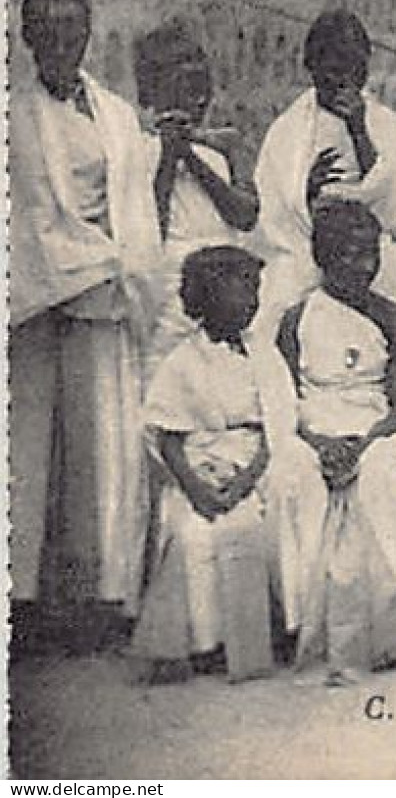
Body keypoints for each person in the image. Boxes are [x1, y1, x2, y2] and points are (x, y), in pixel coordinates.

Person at [11, 0, 163, 652]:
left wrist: (116, 265)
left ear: (88, 32)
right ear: (26, 35)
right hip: (37, 307)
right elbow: (26, 223)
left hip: (108, 296)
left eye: (73, 26)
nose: (62, 39)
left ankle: (105, 594)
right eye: (47, 27)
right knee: (34, 454)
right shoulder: (12, 116)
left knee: (106, 451)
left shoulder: (116, 114)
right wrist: (69, 269)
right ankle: (29, 602)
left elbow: (134, 210)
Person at [277, 201, 396, 682]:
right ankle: (307, 627)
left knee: (381, 479)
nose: (365, 266)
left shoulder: (392, 316)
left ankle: (395, 628)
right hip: (312, 430)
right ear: (323, 258)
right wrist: (318, 441)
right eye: (350, 255)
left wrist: (362, 443)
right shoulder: (296, 319)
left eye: (370, 253)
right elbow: (284, 402)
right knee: (298, 478)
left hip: (377, 430)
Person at [131, 247, 285, 682]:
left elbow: (277, 425)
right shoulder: (181, 361)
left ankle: (259, 636)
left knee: (249, 525)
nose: (252, 302)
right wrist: (198, 490)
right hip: (196, 470)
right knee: (194, 535)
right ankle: (205, 640)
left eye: (255, 291)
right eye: (240, 292)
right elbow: (169, 438)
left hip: (252, 466)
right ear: (205, 299)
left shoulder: (264, 355)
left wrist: (244, 483)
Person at [255, 9, 396, 331]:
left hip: (371, 253)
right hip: (307, 250)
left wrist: (358, 130)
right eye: (335, 68)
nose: (344, 79)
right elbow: (275, 212)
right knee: (282, 306)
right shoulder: (289, 131)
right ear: (311, 67)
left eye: (356, 68)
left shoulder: (385, 123)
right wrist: (305, 192)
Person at [133, 20, 259, 367]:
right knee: (169, 369)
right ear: (152, 93)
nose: (199, 99)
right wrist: (168, 157)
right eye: (185, 88)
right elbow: (148, 228)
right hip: (172, 285)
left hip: (228, 281)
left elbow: (245, 215)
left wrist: (190, 153)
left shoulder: (224, 147)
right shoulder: (140, 150)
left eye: (204, 87)